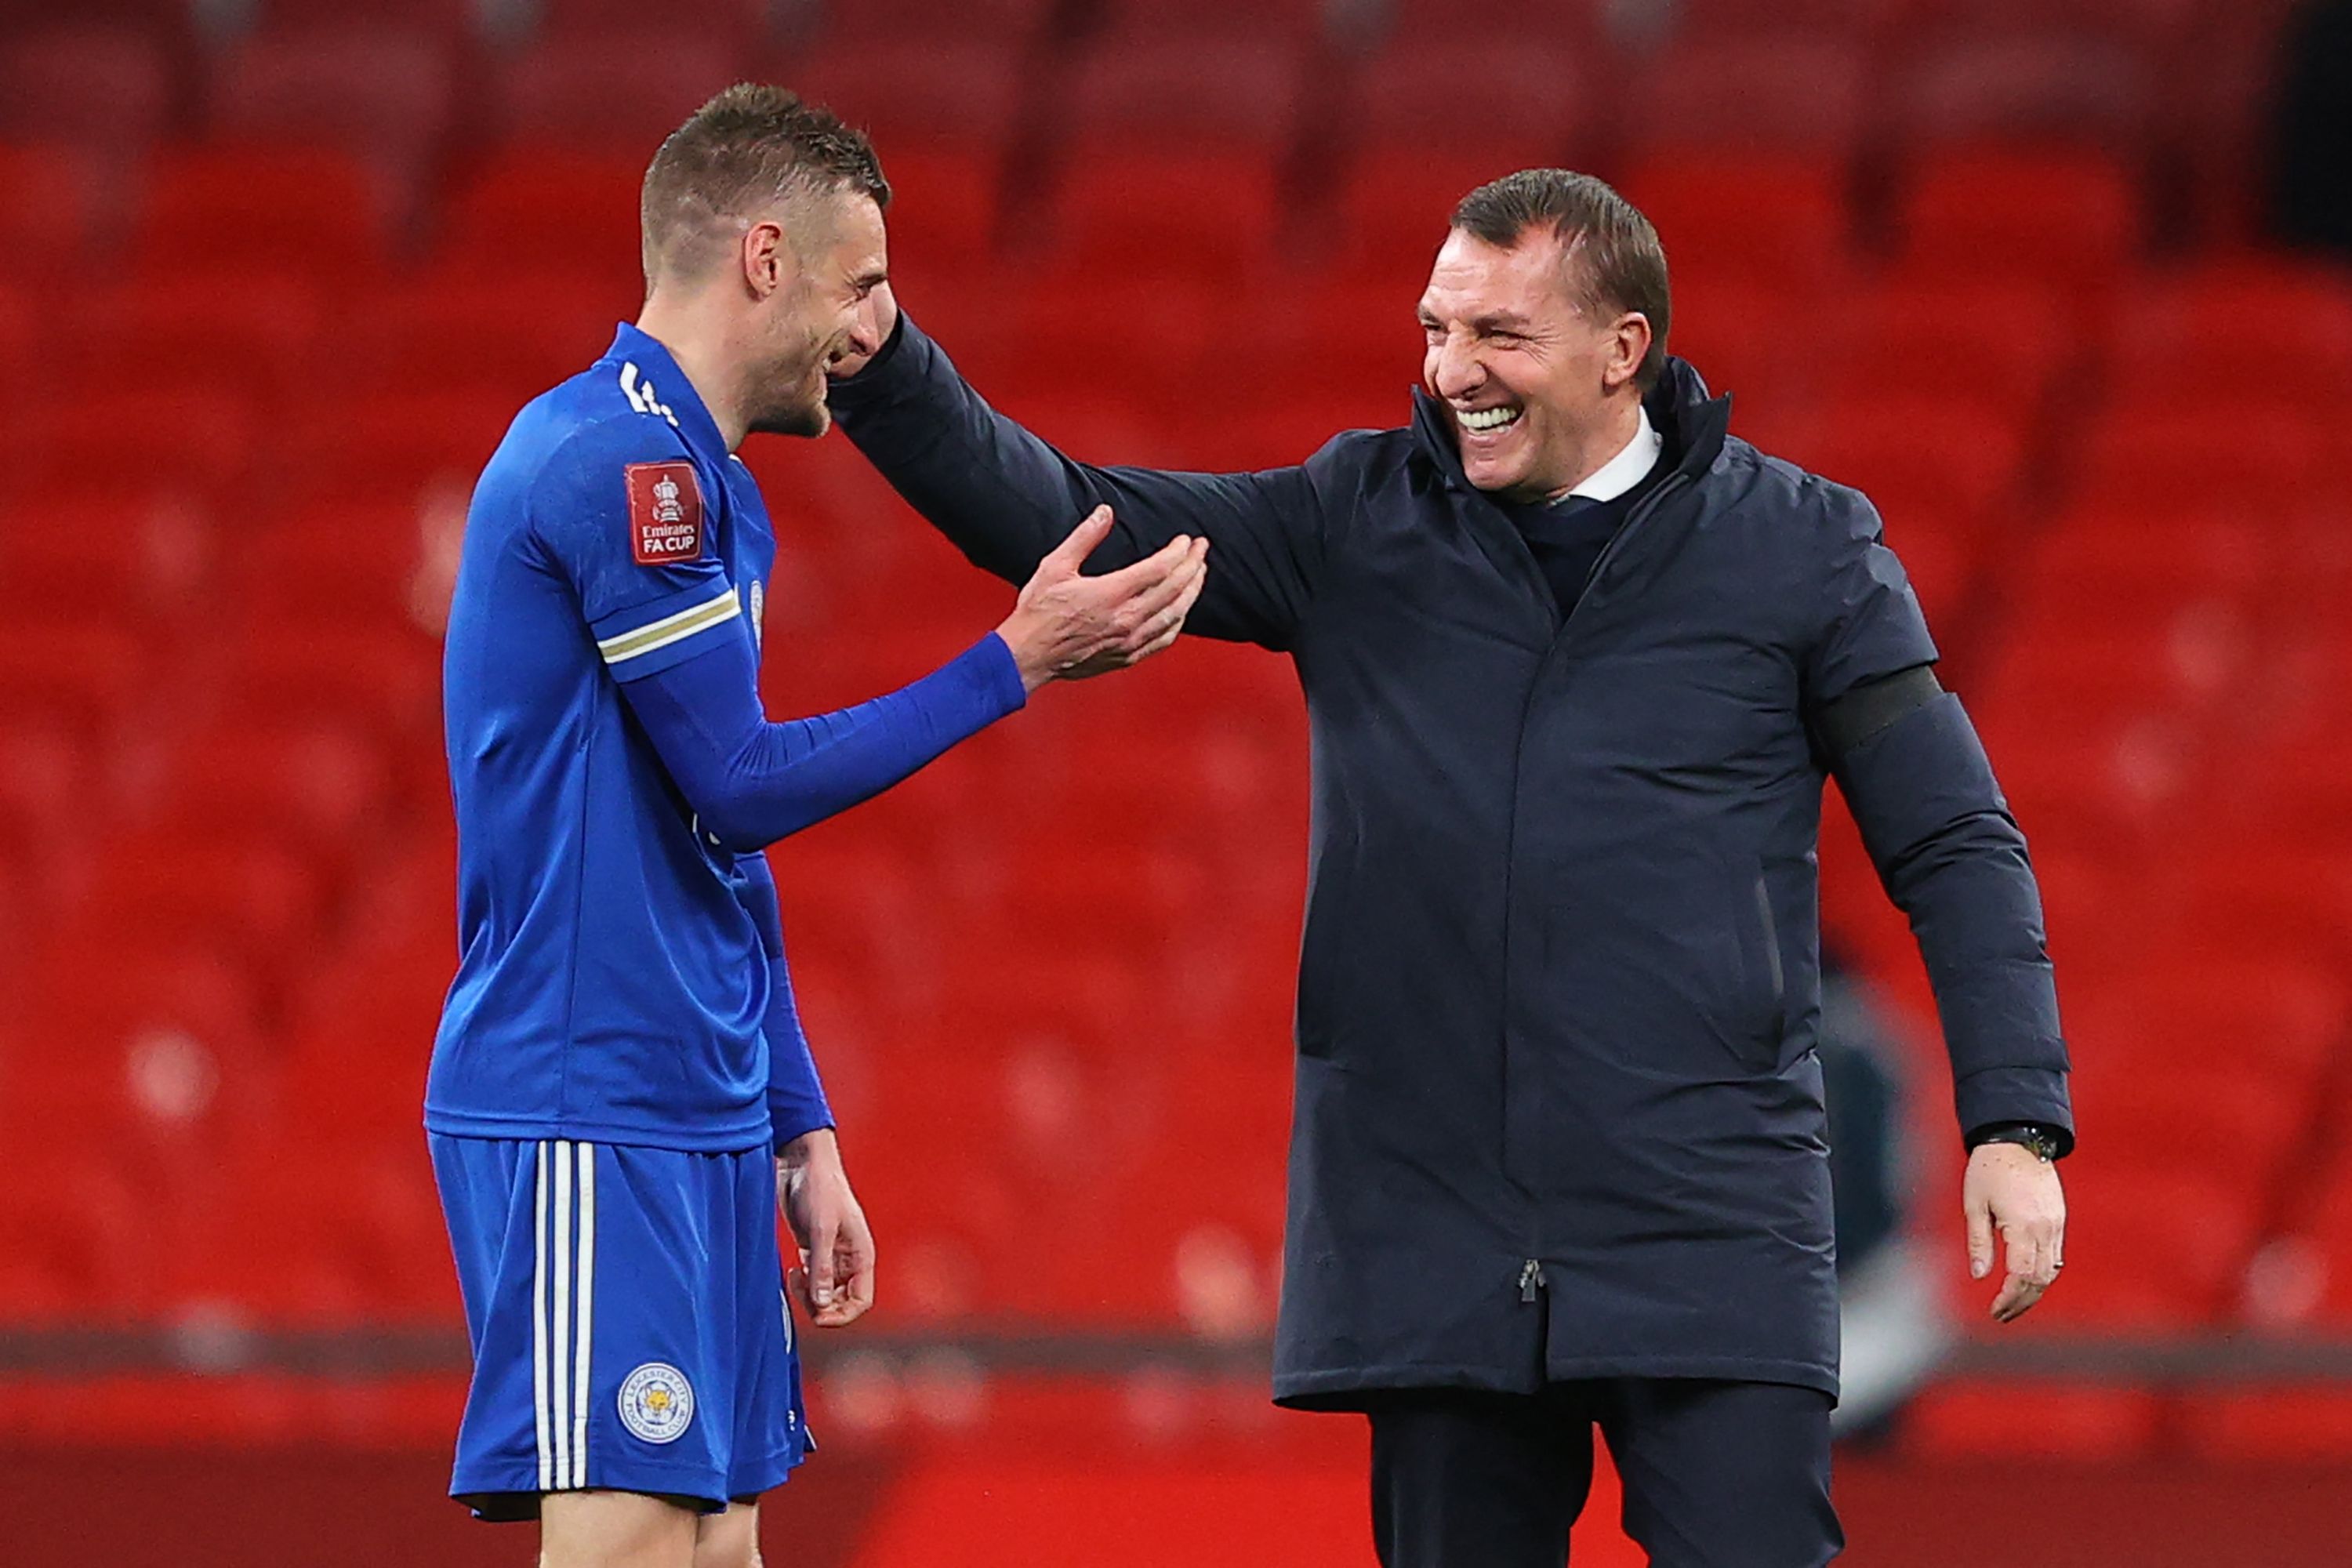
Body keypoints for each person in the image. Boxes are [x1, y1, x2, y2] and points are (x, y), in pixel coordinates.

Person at [827, 169, 2071, 1566]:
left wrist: (2015, 1121)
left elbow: (1952, 837)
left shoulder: (1805, 548)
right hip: (1436, 1228)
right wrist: (885, 372)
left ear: (1625, 348)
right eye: (1437, 329)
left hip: (1707, 1218)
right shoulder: (1353, 519)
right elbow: (1067, 511)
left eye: (1499, 337)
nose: (1450, 371)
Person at [425, 85, 1206, 1568]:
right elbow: (742, 779)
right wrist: (1015, 662)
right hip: (592, 1093)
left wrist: (799, 1121)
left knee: (718, 1552)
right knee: (634, 1554)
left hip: (694, 1100)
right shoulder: (621, 466)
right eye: (862, 286)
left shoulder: (705, 477)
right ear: (765, 259)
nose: (872, 331)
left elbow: (715, 846)